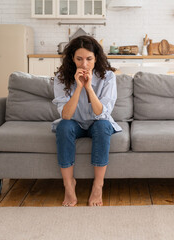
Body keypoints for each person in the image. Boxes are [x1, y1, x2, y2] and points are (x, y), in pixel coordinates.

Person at [52, 35, 121, 207]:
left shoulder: (108, 77)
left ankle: (98, 185)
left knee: (103, 126)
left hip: (97, 122)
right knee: (64, 127)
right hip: (74, 122)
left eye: (89, 59)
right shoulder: (62, 77)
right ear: (72, 59)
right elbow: (66, 115)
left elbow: (102, 112)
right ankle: (69, 185)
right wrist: (78, 87)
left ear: (96, 58)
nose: (84, 64)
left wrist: (89, 87)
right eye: (79, 59)